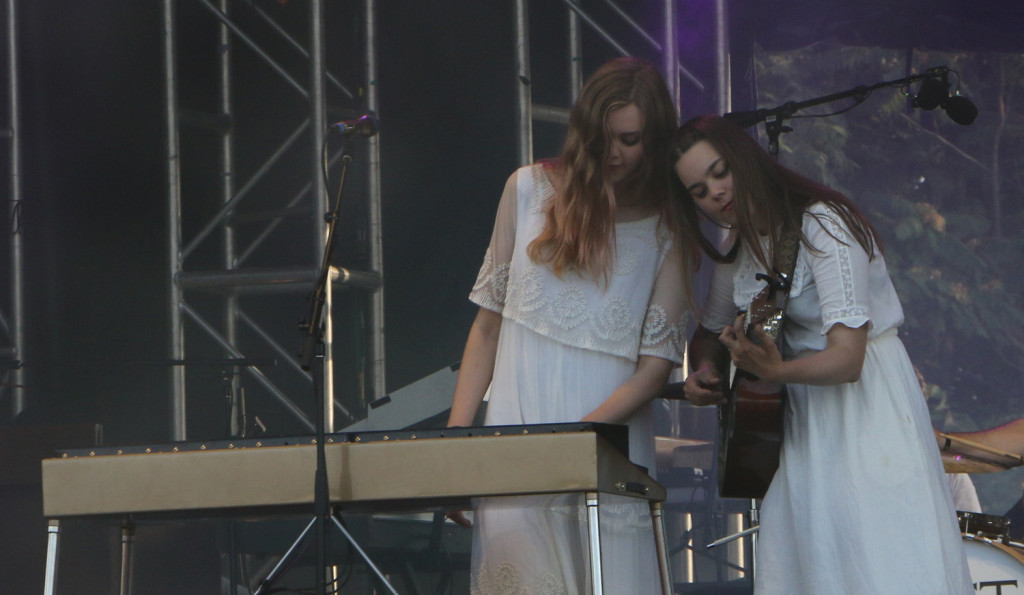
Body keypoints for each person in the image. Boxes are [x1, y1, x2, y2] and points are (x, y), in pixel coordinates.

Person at [672, 114, 972, 593]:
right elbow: (708, 331)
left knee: (879, 557)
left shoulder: (822, 223)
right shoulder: (738, 247)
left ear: (745, 159)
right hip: (803, 420)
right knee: (814, 563)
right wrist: (706, 370)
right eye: (699, 191)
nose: (716, 193)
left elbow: (848, 358)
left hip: (867, 410)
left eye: (720, 171)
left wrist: (776, 368)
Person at [446, 57, 696, 594]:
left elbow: (655, 369)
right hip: (515, 438)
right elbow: (487, 328)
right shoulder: (525, 190)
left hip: (605, 446)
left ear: (653, 139)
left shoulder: (669, 228)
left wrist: (575, 442)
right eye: (603, 137)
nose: (614, 153)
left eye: (629, 139)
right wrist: (456, 443)